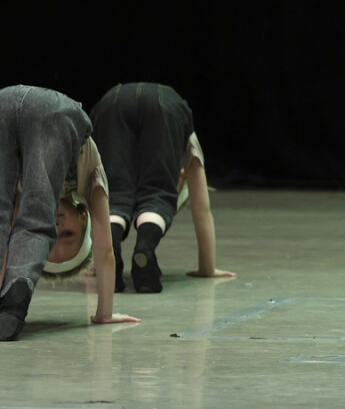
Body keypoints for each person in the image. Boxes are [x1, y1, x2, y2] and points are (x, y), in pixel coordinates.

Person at [1, 85, 140, 341]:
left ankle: (13, 292)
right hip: (52, 111)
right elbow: (105, 251)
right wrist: (104, 313)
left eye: (52, 239)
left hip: (4, 102)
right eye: (66, 234)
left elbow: (7, 239)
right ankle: (15, 296)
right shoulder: (90, 181)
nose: (57, 226)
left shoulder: (20, 202)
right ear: (84, 219)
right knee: (37, 220)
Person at [88, 83, 234, 292]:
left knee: (114, 197)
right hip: (166, 105)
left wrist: (97, 261)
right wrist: (207, 268)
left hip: (111, 104)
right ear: (181, 176)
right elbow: (202, 209)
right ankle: (145, 247)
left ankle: (108, 260)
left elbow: (92, 190)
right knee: (156, 196)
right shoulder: (183, 135)